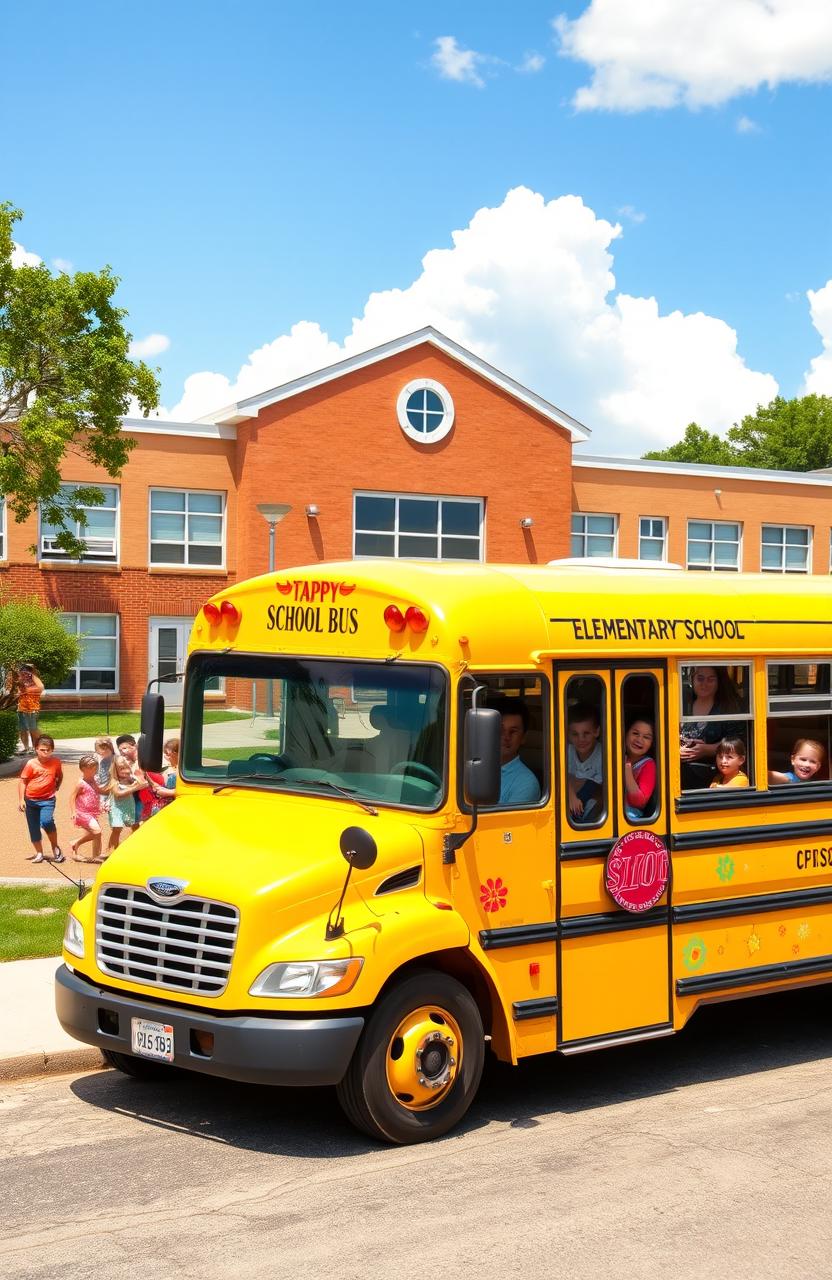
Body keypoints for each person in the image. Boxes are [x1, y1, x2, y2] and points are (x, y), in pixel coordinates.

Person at [679, 666, 744, 789]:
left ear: (719, 681)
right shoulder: (682, 702)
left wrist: (707, 749)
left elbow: (738, 742)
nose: (704, 684)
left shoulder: (729, 707)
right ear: (692, 679)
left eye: (711, 679)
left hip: (712, 774)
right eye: (700, 679)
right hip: (677, 772)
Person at [18, 734, 64, 864]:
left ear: (52, 750)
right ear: (36, 749)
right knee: (33, 827)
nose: (45, 752)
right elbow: (23, 782)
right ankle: (39, 853)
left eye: (48, 750)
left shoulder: (56, 762)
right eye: (42, 749)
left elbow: (59, 775)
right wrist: (21, 799)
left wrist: (57, 786)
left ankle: (55, 847)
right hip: (30, 801)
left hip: (47, 800)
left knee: (47, 821)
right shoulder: (31, 764)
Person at [494, 699, 540, 806]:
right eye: (500, 730)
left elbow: (504, 822)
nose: (506, 737)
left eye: (513, 731)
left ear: (523, 737)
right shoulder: (474, 768)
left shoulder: (527, 783)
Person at [566, 702, 603, 822]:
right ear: (568, 735)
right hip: (571, 803)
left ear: (596, 732)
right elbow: (558, 776)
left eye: (586, 733)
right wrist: (570, 794)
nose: (581, 739)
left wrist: (573, 781)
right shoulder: (567, 751)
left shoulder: (604, 755)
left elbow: (600, 790)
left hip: (595, 808)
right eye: (575, 734)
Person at [70, 754, 105, 862]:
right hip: (82, 812)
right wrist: (73, 812)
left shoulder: (94, 780)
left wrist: (112, 792)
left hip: (92, 812)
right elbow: (72, 797)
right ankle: (77, 844)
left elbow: (99, 791)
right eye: (92, 768)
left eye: (96, 768)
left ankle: (95, 855)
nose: (95, 770)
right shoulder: (81, 783)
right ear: (83, 769)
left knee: (96, 834)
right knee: (97, 831)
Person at [105, 755, 143, 852]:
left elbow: (142, 782)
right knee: (117, 828)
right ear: (115, 770)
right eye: (121, 768)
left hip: (128, 807)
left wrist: (138, 780)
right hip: (116, 808)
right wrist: (135, 787)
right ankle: (110, 850)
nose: (125, 770)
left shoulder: (130, 779)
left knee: (134, 825)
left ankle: (135, 846)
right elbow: (118, 794)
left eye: (127, 767)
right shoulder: (114, 781)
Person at [623, 718, 656, 822]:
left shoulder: (648, 765)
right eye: (635, 733)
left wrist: (627, 770)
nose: (639, 740)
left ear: (652, 743)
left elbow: (639, 802)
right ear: (625, 733)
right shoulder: (615, 755)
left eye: (646, 737)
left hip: (630, 817)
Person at [15, 662, 44, 754]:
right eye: (22, 670)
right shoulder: (20, 680)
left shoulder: (34, 678)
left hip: (32, 708)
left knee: (33, 729)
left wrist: (26, 690)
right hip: (21, 707)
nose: (23, 672)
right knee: (22, 729)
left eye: (25, 670)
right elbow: (16, 692)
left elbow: (41, 687)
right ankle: (26, 748)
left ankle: (38, 747)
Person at [147, 738, 179, 809]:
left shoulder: (182, 773)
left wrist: (169, 792)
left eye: (167, 754)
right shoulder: (175, 769)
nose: (166, 757)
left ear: (176, 753)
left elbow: (191, 790)